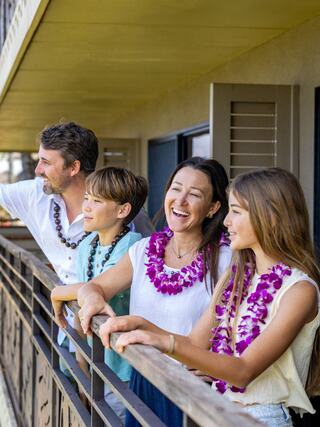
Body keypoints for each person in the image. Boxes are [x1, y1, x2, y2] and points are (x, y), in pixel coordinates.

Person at [101, 168, 320, 427]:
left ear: (269, 217)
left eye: (236, 211)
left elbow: (243, 371)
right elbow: (195, 341)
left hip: (261, 417)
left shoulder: (299, 290)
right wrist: (138, 324)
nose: (226, 222)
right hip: (212, 409)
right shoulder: (236, 277)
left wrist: (165, 343)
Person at [51, 157, 232, 426]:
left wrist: (219, 362)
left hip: (192, 391)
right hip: (142, 379)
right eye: (176, 189)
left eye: (194, 195)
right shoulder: (144, 250)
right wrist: (91, 298)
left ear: (213, 207)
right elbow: (97, 285)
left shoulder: (227, 260)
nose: (180, 201)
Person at [0, 122, 154, 350]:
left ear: (73, 167)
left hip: (115, 337)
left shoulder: (128, 218)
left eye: (46, 162)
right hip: (66, 329)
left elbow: (152, 266)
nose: (37, 169)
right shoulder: (34, 194)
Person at [51, 166, 148, 422]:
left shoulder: (132, 246)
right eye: (86, 198)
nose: (86, 207)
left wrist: (59, 291)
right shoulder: (87, 244)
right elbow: (85, 297)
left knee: (114, 417)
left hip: (121, 360)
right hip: (93, 354)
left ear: (122, 211)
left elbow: (94, 290)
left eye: (97, 201)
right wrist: (83, 366)